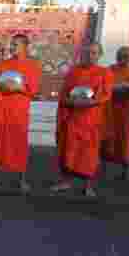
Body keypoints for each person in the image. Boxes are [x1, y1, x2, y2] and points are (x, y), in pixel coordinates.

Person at [0, 35, 40, 193]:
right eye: (12, 44)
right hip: (0, 109)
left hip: (18, 111)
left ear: (25, 46)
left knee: (19, 144)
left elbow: (33, 92)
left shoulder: (32, 66)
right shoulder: (3, 64)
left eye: (16, 44)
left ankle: (22, 179)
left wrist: (18, 89)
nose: (12, 47)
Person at [50, 43, 113, 197]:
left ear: (100, 55)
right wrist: (70, 102)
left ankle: (88, 186)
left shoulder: (105, 73)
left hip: (91, 119)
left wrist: (91, 102)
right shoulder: (74, 71)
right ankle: (65, 181)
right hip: (73, 117)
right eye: (87, 53)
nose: (90, 56)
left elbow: (106, 95)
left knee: (89, 154)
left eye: (94, 53)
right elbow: (65, 93)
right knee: (68, 149)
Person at [101, 47, 129, 179]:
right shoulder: (109, 70)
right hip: (110, 109)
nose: (123, 58)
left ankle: (125, 171)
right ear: (117, 56)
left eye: (126, 56)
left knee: (125, 139)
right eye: (121, 55)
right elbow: (103, 86)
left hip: (125, 110)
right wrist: (114, 88)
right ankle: (104, 169)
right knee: (107, 138)